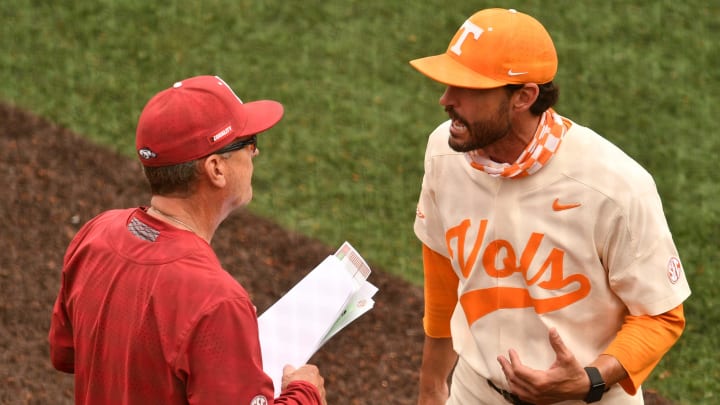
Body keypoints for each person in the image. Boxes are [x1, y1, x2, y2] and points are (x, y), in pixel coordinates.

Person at [408, 8, 691, 405]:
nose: (446, 100)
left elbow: (661, 315)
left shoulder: (614, 186)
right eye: (449, 83)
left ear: (524, 96)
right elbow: (441, 273)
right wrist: (432, 387)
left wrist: (589, 380)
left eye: (469, 89)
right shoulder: (445, 152)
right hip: (474, 392)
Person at [48, 75, 327, 405]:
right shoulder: (217, 301)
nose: (255, 153)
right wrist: (305, 393)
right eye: (248, 142)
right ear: (216, 169)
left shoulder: (96, 235)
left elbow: (65, 354)